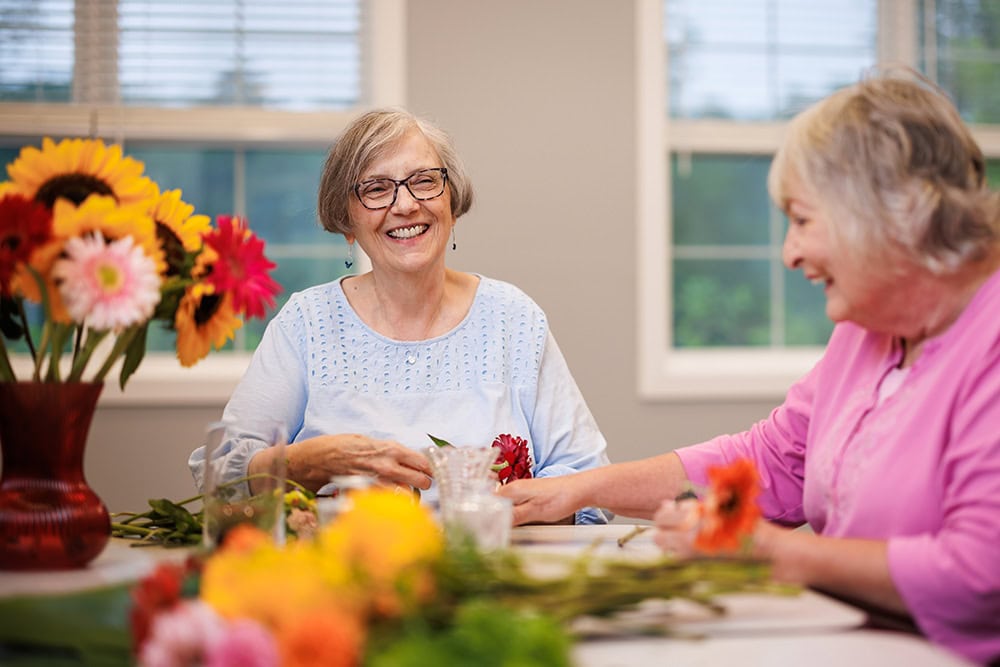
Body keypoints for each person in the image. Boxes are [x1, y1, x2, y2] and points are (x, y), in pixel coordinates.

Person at [498, 70, 1000, 664]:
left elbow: (978, 576)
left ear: (888, 214)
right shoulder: (866, 335)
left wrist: (773, 553)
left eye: (803, 220)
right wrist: (576, 489)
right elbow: (770, 465)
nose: (789, 253)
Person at [189, 108, 610, 524]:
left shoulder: (514, 319)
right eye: (376, 188)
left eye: (425, 181)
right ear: (346, 220)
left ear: (452, 201)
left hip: (493, 575)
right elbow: (216, 476)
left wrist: (495, 511)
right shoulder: (307, 323)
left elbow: (592, 486)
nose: (406, 204)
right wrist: (302, 464)